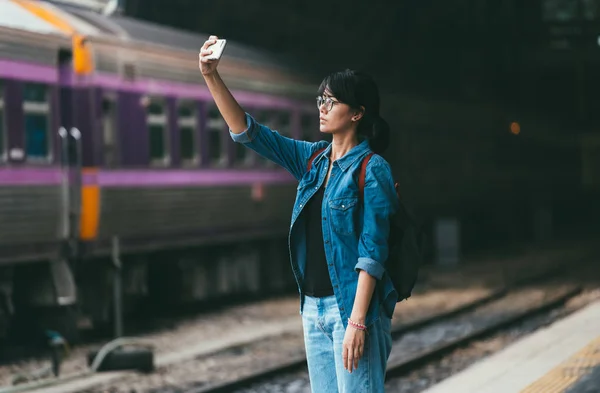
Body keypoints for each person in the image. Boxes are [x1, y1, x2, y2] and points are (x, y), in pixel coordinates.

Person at [199, 35, 399, 393]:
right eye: (320, 98)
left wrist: (357, 322)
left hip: (350, 313)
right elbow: (249, 133)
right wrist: (211, 76)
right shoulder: (313, 162)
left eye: (332, 101)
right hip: (314, 311)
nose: (321, 106)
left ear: (357, 113)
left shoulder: (373, 168)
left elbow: (373, 252)